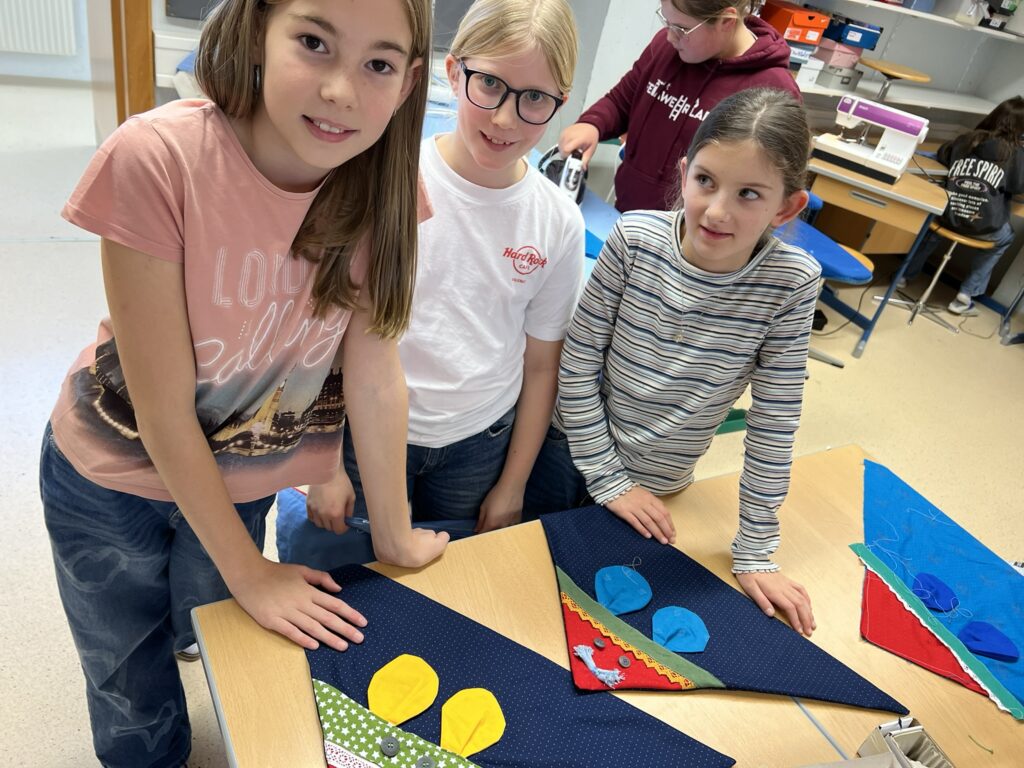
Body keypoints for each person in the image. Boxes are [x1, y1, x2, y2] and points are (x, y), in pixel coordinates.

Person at [39, 0, 446, 765]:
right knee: (128, 678)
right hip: (111, 477)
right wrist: (251, 571)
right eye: (314, 42)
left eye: (378, 64)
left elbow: (374, 374)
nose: (340, 91)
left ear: (409, 81)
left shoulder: (386, 191)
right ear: (259, 29)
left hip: (241, 475)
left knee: (209, 626)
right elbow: (162, 411)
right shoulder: (157, 157)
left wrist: (392, 532)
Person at [286, 0, 586, 569]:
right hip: (362, 430)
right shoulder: (386, 178)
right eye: (489, 84)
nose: (505, 119)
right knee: (347, 576)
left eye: (533, 98)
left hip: (479, 442)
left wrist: (513, 485)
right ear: (453, 71)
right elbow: (321, 328)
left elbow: (542, 366)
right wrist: (322, 462)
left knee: (449, 582)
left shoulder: (557, 221)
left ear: (560, 103)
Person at [533, 88, 820, 637]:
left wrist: (755, 551)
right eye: (706, 181)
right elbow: (578, 364)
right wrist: (608, 478)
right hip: (566, 454)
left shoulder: (791, 283)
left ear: (786, 208)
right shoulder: (635, 239)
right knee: (531, 592)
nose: (717, 210)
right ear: (685, 173)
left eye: (749, 194)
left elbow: (774, 423)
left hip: (657, 481)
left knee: (605, 621)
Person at [558, 0, 800, 214]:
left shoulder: (772, 89)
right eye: (667, 22)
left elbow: (769, 187)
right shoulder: (666, 49)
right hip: (628, 218)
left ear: (726, 21)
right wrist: (592, 124)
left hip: (693, 240)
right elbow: (622, 101)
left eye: (682, 29)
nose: (670, 36)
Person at [901, 96, 1024, 315]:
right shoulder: (1014, 154)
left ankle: (904, 275)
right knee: (1006, 238)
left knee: (933, 226)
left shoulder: (966, 140)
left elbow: (942, 155)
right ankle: (966, 294)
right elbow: (1017, 186)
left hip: (949, 216)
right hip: (983, 227)